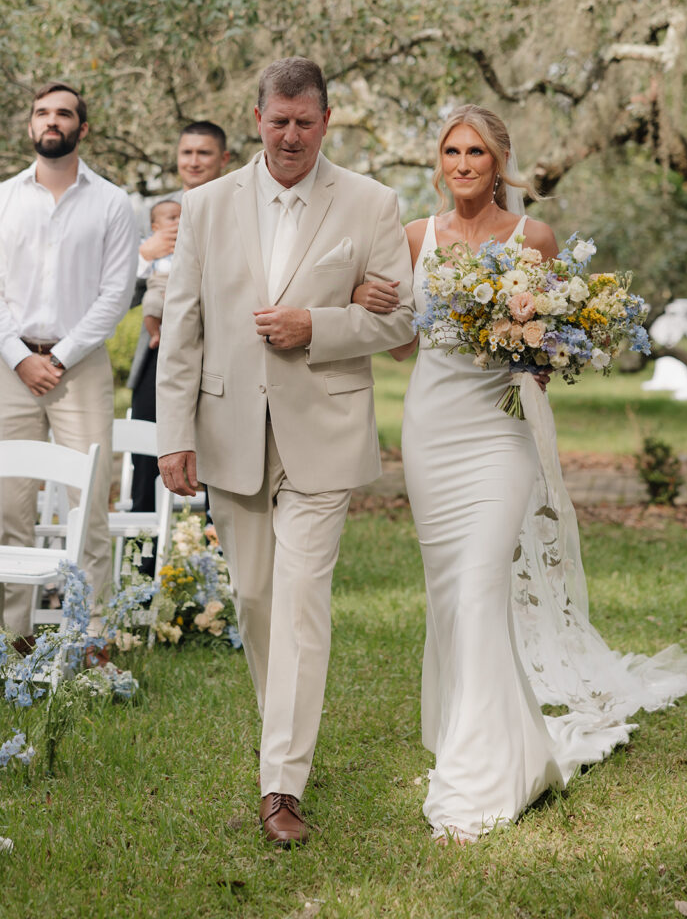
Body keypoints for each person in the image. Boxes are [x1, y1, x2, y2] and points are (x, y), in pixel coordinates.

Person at [354, 104, 687, 843]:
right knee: (449, 597)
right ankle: (493, 741)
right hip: (429, 433)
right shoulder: (415, 237)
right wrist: (369, 302)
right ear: (438, 162)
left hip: (498, 435)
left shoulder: (531, 238)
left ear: (500, 162)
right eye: (451, 151)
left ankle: (478, 782)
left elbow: (557, 342)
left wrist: (543, 348)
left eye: (476, 151)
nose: (463, 164)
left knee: (479, 590)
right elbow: (399, 350)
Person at [156, 57, 415, 846]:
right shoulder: (205, 205)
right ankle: (288, 740)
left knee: (301, 603)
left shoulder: (372, 202)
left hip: (323, 435)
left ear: (325, 122)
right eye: (279, 121)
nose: (292, 134)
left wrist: (320, 323)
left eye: (306, 122)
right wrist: (173, 435)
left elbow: (400, 319)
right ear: (258, 119)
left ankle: (280, 786)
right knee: (259, 605)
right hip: (230, 432)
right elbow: (183, 325)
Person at [0, 81, 138, 644]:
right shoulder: (3, 198)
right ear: (30, 126)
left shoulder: (112, 202)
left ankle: (91, 641)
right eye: (41, 112)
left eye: (64, 113)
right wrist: (18, 358)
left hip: (80, 371)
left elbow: (115, 294)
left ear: (83, 128)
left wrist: (56, 357)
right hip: (9, 371)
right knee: (10, 507)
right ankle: (14, 641)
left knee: (90, 509)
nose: (50, 121)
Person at [128, 122, 229, 514]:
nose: (193, 161)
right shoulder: (152, 214)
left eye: (203, 153)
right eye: (187, 152)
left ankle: (211, 565)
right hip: (158, 351)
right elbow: (125, 294)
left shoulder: (237, 206)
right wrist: (144, 254)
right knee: (147, 456)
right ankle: (144, 567)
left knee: (219, 462)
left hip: (220, 352)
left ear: (223, 159)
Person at [142, 200, 182, 349]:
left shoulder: (188, 239)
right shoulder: (149, 242)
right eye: (172, 218)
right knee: (151, 303)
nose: (179, 221)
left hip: (181, 284)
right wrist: (145, 254)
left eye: (182, 216)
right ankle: (154, 334)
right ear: (155, 227)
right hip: (158, 285)